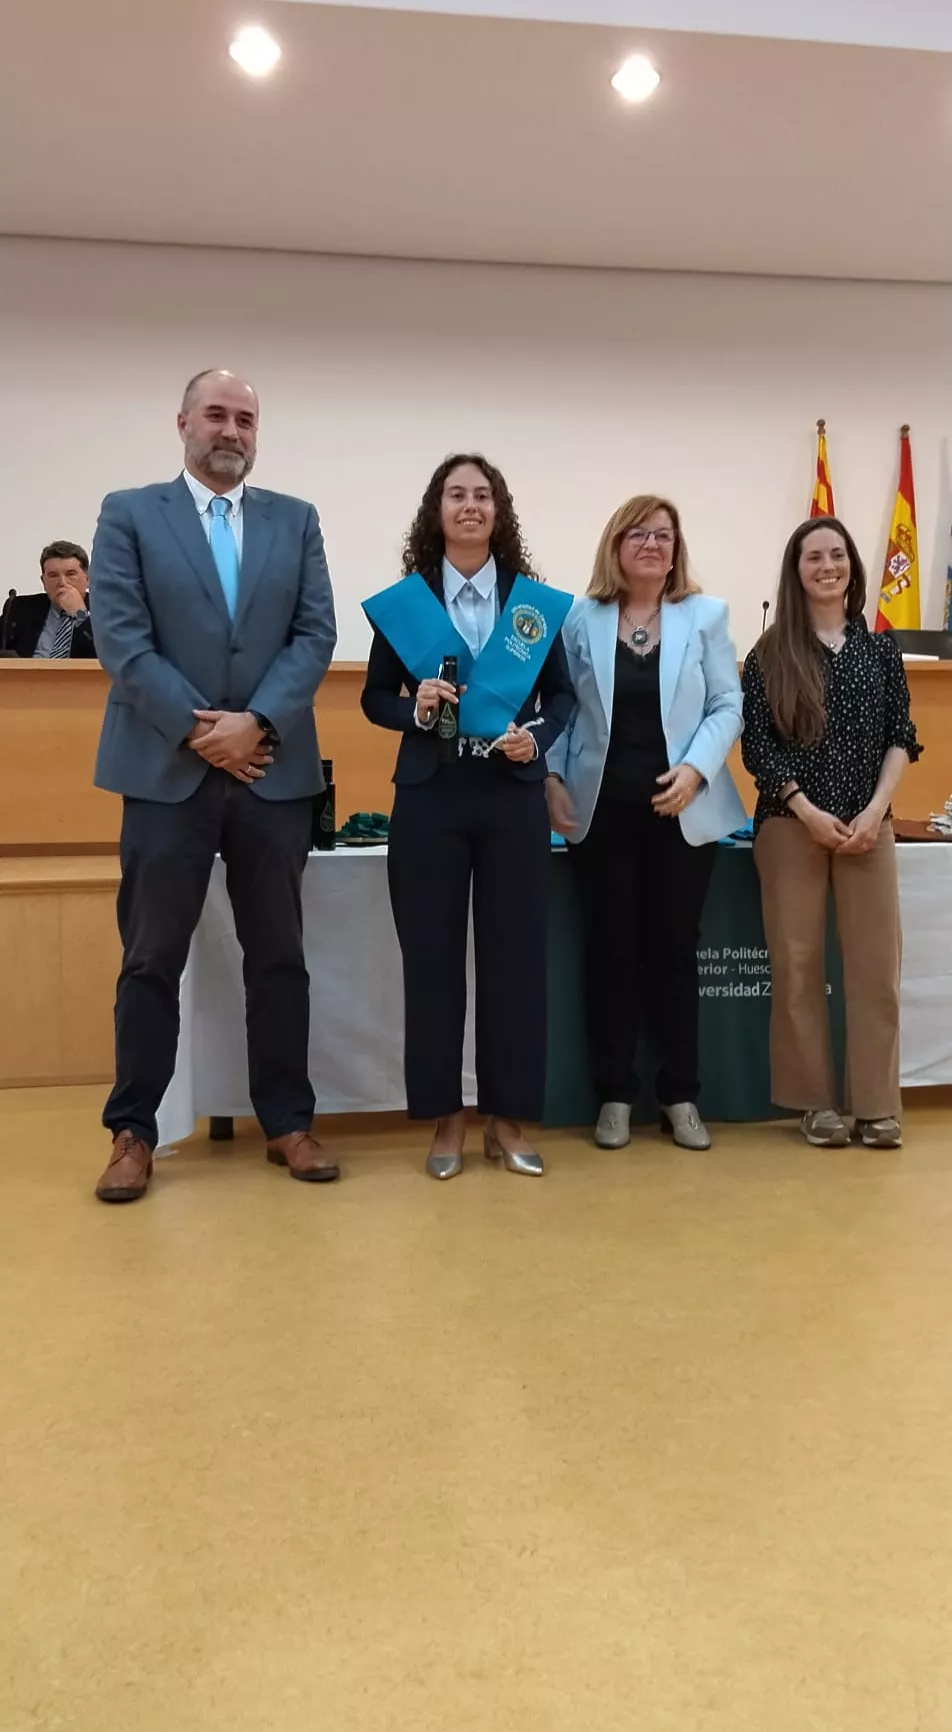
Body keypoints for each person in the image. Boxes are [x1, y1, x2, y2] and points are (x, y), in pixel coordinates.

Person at [89, 368, 338, 1203]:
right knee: (150, 959)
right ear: (183, 424)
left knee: (280, 959)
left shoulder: (295, 520)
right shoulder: (130, 514)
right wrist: (205, 734)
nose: (232, 431)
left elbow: (315, 635)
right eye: (217, 415)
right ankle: (133, 1132)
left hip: (272, 771)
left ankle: (289, 1123)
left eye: (246, 419)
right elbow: (122, 639)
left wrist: (255, 724)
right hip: (166, 772)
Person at [361, 453, 574, 1179]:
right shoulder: (408, 604)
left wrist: (536, 738)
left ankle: (506, 1120)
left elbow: (561, 699)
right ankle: (444, 1119)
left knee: (516, 961)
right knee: (432, 961)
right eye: (456, 494)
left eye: (483, 494)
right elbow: (374, 698)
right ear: (437, 510)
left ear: (499, 511)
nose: (470, 505)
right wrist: (414, 710)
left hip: (512, 794)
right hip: (430, 795)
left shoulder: (532, 605)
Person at [546, 496, 744, 1152]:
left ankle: (680, 1095)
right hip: (601, 815)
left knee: (673, 953)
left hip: (682, 812)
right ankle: (614, 1095)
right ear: (616, 545)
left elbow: (728, 704)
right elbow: (561, 708)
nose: (652, 544)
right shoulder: (580, 618)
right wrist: (550, 777)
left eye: (664, 535)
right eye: (638, 534)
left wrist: (695, 770)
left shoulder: (705, 615)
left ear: (675, 548)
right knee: (610, 953)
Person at [741, 517, 919, 1149]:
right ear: (796, 571)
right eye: (813, 557)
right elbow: (758, 747)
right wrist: (808, 811)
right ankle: (813, 1103)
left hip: (870, 827)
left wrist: (875, 811)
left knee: (875, 968)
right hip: (791, 826)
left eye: (837, 555)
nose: (827, 566)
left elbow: (902, 737)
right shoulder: (769, 653)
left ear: (852, 566)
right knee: (797, 966)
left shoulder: (881, 651)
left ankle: (877, 1106)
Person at [5, 541, 97, 658]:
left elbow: (110, 653)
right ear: (43, 582)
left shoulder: (107, 610)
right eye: (53, 575)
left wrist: (80, 614)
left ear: (87, 579)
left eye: (70, 574)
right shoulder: (19, 608)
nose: (62, 583)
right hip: (29, 670)